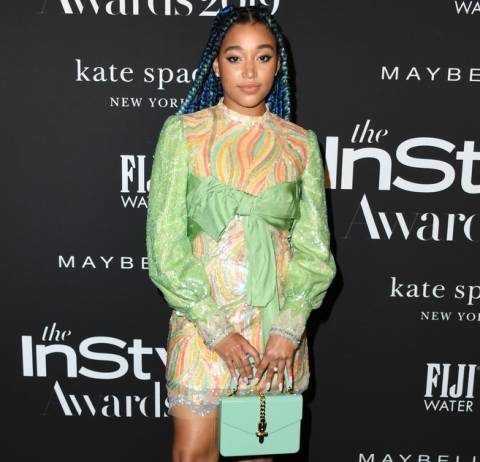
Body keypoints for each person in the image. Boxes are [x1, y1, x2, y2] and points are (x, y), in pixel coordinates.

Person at [146, 5, 337, 461]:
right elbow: (165, 244)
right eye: (235, 58)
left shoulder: (300, 143)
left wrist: (288, 330)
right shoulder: (184, 134)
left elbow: (314, 249)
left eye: (263, 57)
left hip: (275, 333)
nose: (249, 71)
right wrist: (216, 330)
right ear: (216, 65)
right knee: (192, 454)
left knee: (257, 456)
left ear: (278, 64)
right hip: (202, 324)